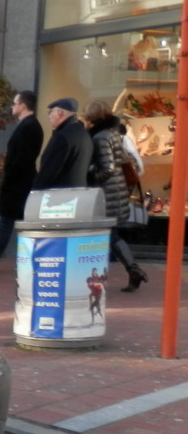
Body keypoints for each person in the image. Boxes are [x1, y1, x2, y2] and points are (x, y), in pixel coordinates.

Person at [82, 99, 149, 292]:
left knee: (110, 235)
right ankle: (134, 271)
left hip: (107, 192)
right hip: (116, 189)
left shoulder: (100, 137)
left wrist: (90, 174)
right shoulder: (112, 133)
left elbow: (108, 168)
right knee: (113, 234)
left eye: (86, 117)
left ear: (92, 118)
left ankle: (133, 271)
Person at [0, 89, 44, 273]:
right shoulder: (29, 125)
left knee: (8, 224)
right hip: (19, 183)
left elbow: (23, 158)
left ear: (23, 105)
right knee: (15, 224)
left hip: (18, 185)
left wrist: (9, 176)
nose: (12, 106)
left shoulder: (29, 126)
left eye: (15, 103)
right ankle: (6, 260)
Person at [33, 98, 93, 189]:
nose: (49, 116)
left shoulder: (63, 136)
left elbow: (49, 171)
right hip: (78, 193)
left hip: (61, 195)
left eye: (51, 112)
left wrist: (36, 192)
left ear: (59, 113)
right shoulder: (83, 133)